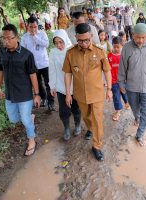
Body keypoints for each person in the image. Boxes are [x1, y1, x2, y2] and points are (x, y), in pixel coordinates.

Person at [63, 23, 113, 161]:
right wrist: (68, 93)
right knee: (87, 117)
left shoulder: (99, 51)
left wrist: (109, 89)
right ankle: (91, 129)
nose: (84, 43)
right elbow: (67, 74)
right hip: (80, 95)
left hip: (97, 93)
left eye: (86, 40)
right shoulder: (70, 53)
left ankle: (96, 146)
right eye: (80, 40)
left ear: (91, 36)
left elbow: (107, 71)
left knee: (97, 120)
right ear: (76, 38)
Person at [0, 24, 40, 156]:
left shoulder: (27, 55)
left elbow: (33, 75)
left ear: (17, 37)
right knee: (13, 119)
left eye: (9, 38)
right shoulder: (2, 53)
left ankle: (31, 140)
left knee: (25, 120)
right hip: (9, 94)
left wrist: (37, 94)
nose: (6, 41)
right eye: (4, 39)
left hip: (24, 94)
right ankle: (30, 119)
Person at [49, 29, 81, 141]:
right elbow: (52, 70)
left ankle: (77, 125)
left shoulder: (72, 50)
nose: (59, 45)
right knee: (64, 110)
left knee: (76, 108)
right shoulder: (53, 52)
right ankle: (66, 128)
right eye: (56, 42)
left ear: (65, 40)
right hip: (61, 86)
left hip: (75, 85)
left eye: (61, 42)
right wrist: (52, 85)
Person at [21, 17, 55, 111]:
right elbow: (23, 52)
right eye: (31, 27)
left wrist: (35, 37)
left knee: (49, 83)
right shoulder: (24, 37)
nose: (33, 29)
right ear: (27, 26)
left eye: (35, 27)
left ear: (37, 26)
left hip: (44, 63)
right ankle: (44, 98)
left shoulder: (42, 34)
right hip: (33, 66)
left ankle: (51, 102)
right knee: (38, 84)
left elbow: (46, 44)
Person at [108, 36, 129, 121]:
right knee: (116, 97)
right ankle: (118, 111)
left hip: (123, 80)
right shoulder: (109, 56)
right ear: (112, 45)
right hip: (114, 81)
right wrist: (109, 81)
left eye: (118, 47)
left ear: (122, 46)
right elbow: (108, 70)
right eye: (114, 46)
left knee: (124, 93)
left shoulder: (124, 56)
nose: (116, 49)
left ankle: (127, 102)